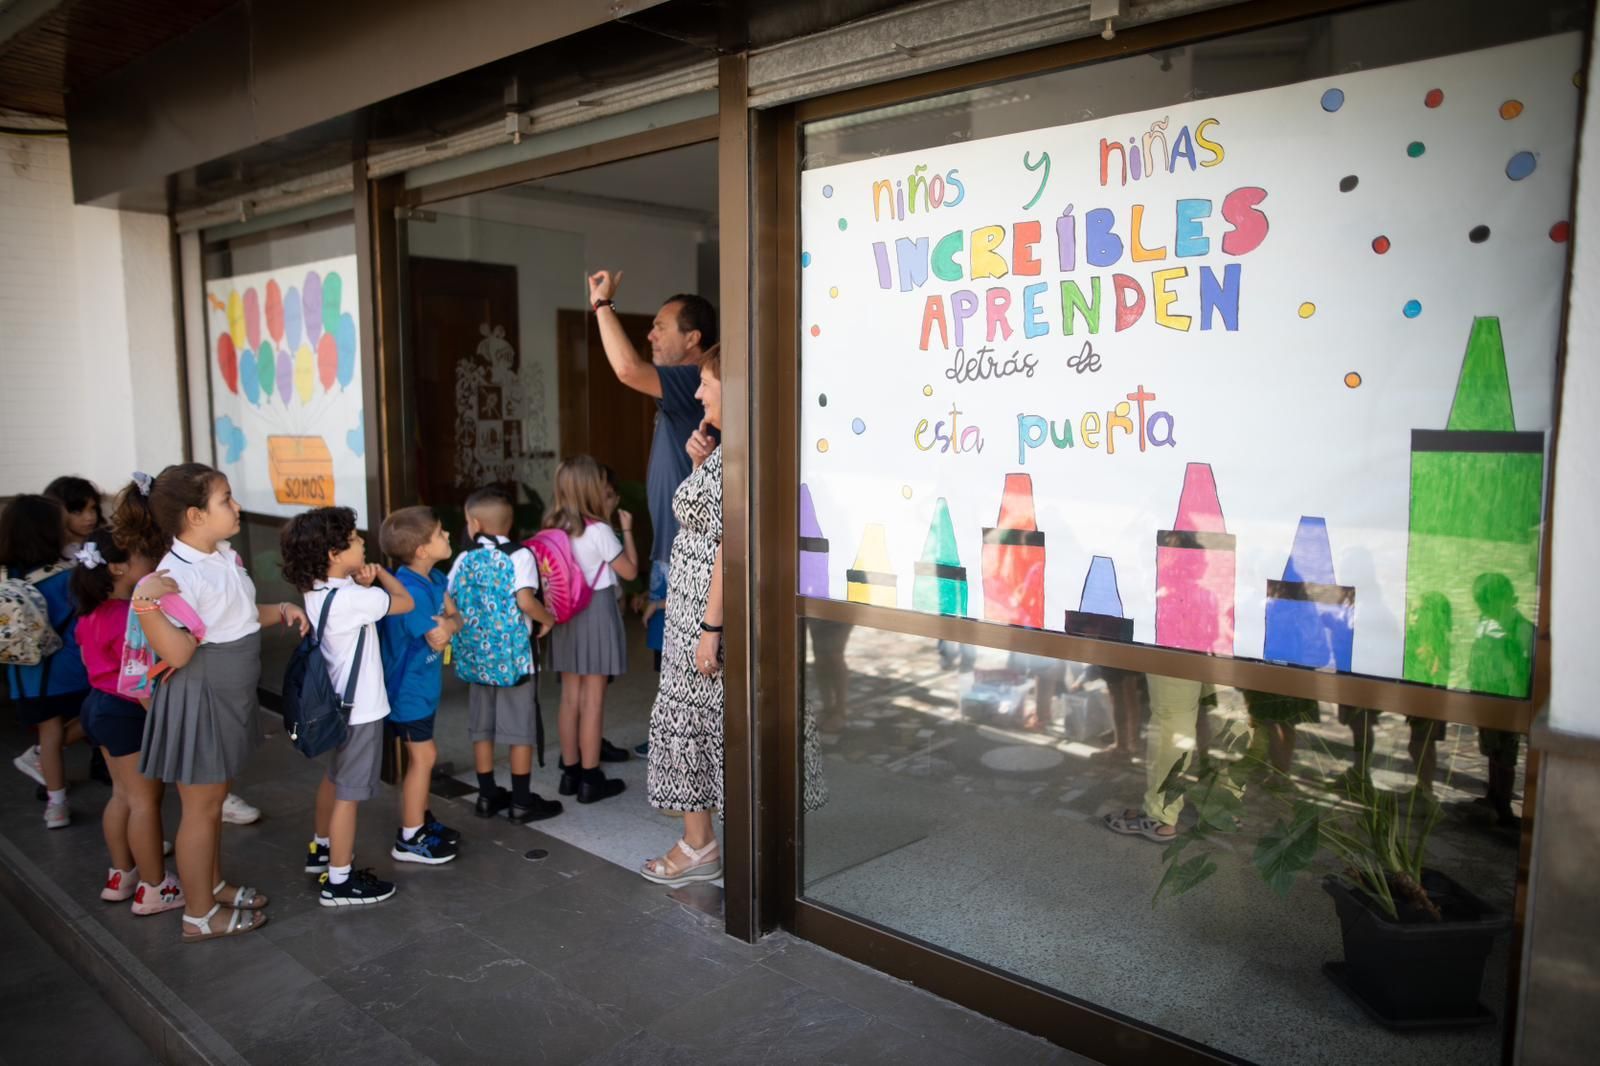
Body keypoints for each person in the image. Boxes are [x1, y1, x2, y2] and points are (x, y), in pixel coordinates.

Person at [127, 463, 309, 942]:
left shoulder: (220, 556)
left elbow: (238, 617)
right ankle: (200, 915)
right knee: (202, 809)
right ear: (195, 515)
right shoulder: (173, 575)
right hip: (202, 694)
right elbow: (180, 652)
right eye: (226, 499)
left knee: (210, 802)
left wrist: (282, 610)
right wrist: (144, 604)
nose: (237, 506)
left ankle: (210, 884)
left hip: (226, 692)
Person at [587, 272, 717, 756]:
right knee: (670, 657)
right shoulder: (683, 387)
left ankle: (689, 752)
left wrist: (603, 305)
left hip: (689, 554)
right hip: (671, 551)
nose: (650, 334)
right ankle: (675, 744)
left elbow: (625, 368)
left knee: (687, 659)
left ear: (693, 339)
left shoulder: (691, 379)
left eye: (661, 327)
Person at [282, 506, 415, 906]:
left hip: (335, 707)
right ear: (335, 555)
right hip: (360, 712)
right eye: (356, 540)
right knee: (349, 795)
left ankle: (321, 847)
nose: (363, 543)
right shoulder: (355, 598)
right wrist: (381, 575)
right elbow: (405, 602)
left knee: (335, 779)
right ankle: (339, 880)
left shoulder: (316, 591)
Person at [70, 511, 183, 915]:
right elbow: (138, 682)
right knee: (144, 801)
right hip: (127, 710)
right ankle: (155, 887)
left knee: (121, 794)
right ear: (118, 567)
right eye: (141, 557)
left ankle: (122, 874)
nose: (150, 563)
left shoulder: (91, 612)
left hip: (97, 708)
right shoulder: (130, 617)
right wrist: (164, 722)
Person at [642, 345, 726, 886]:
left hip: (706, 616)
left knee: (702, 723)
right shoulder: (721, 448)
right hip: (690, 611)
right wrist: (698, 464)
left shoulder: (743, 452)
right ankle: (702, 842)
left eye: (706, 383)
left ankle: (701, 846)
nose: (697, 393)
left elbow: (729, 548)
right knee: (691, 723)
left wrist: (710, 629)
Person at [448, 487, 561, 823]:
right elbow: (526, 601)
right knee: (519, 729)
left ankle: (486, 795)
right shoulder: (519, 555)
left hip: (475, 658)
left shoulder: (463, 558)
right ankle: (522, 801)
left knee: (482, 728)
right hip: (514, 661)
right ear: (509, 524)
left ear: (473, 523)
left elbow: (449, 596)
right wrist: (548, 619)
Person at [545, 456, 638, 803]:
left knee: (570, 698)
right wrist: (626, 530)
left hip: (564, 614)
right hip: (595, 612)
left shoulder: (552, 527)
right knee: (593, 701)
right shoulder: (598, 531)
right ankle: (590, 778)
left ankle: (569, 774)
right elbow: (629, 572)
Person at [377, 505, 463, 864]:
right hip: (406, 691)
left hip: (424, 688)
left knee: (423, 758)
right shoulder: (408, 590)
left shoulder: (436, 578)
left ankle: (422, 821)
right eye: (440, 533)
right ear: (422, 550)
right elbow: (436, 635)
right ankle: (410, 836)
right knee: (424, 756)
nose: (447, 536)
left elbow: (454, 617)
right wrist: (445, 626)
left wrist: (448, 624)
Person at [2, 494, 90, 828]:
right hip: (70, 668)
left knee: (48, 735)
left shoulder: (6, 576)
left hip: (25, 673)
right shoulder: (68, 576)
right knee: (97, 710)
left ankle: (56, 805)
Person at [44, 475, 102, 559]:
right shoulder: (50, 553)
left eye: (93, 508)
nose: (89, 517)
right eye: (77, 512)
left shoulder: (106, 542)